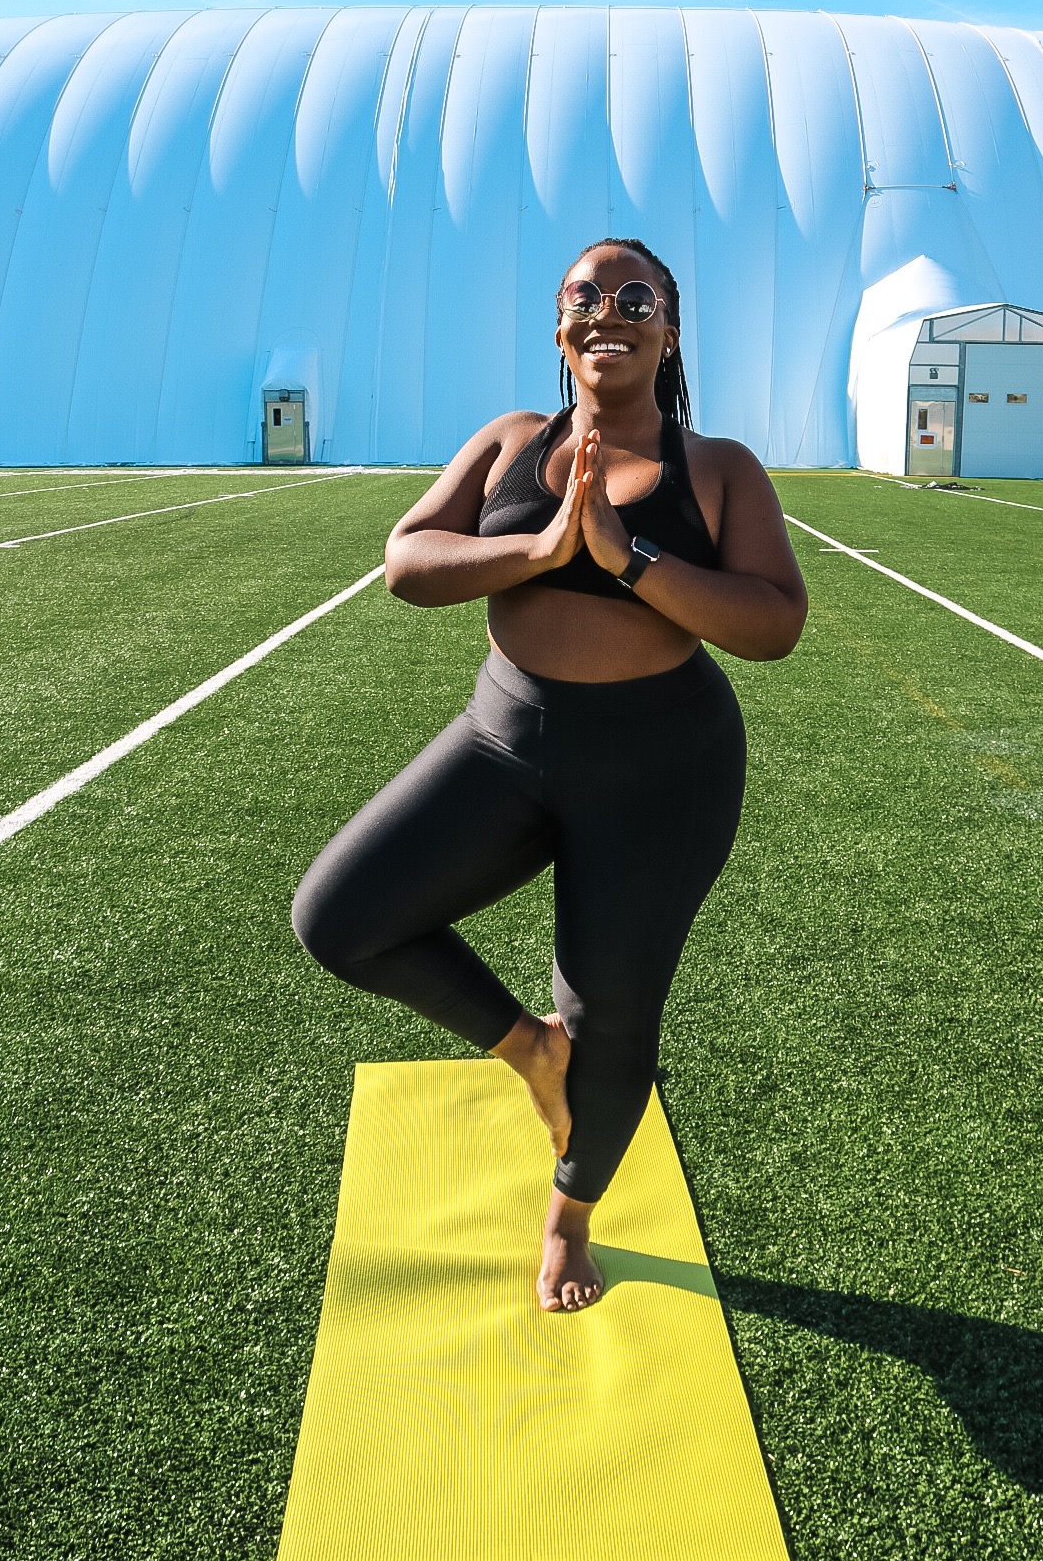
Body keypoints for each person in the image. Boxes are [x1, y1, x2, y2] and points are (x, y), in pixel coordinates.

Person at [292, 238, 808, 1311]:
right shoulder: (510, 442)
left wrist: (628, 557)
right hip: (506, 740)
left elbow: (771, 625)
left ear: (668, 329)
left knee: (612, 1011)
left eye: (634, 297)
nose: (604, 311)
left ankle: (569, 1216)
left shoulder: (715, 468)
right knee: (339, 916)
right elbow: (407, 563)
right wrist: (538, 552)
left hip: (663, 770)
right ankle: (529, 1050)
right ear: (557, 324)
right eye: (584, 295)